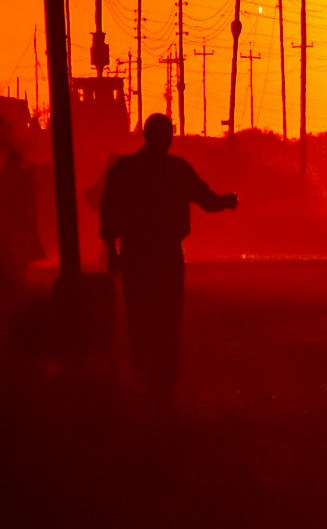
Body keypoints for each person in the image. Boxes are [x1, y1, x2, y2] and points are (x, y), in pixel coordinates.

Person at [97, 113, 236, 393]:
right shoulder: (175, 169)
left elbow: (108, 213)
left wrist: (112, 252)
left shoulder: (126, 169)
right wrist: (226, 201)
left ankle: (149, 365)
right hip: (163, 252)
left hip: (136, 253)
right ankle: (162, 370)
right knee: (167, 311)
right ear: (166, 137)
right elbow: (207, 200)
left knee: (141, 311)